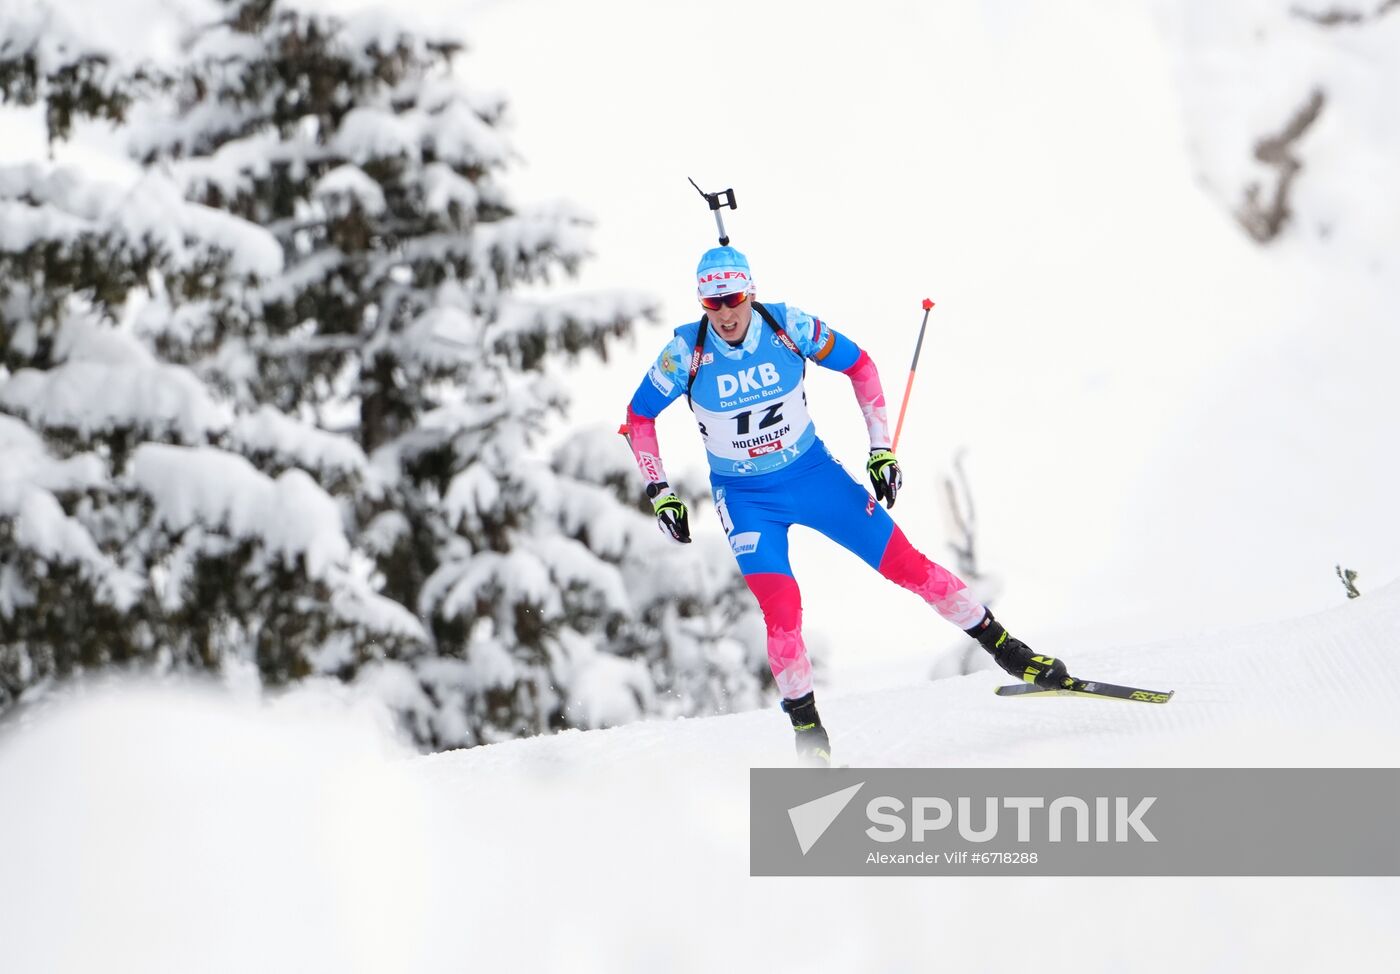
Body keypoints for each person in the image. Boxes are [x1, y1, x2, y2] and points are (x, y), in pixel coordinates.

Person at [621, 246, 1072, 765]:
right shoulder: (685, 353)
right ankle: (808, 733)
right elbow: (639, 417)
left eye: (735, 297)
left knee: (908, 565)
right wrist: (661, 492)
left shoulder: (789, 326)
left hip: (813, 476)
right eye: (712, 301)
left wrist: (880, 448)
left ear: (751, 292)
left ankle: (1013, 654)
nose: (725, 312)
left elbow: (861, 366)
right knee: (782, 610)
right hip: (746, 499)